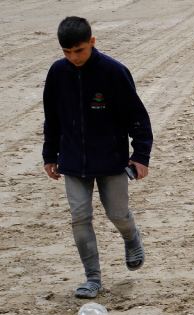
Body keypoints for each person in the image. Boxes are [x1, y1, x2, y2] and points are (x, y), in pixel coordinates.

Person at [42, 16, 152, 299]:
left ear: (92, 42)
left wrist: (141, 156)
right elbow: (52, 118)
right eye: (67, 52)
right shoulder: (57, 73)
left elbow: (137, 117)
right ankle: (92, 278)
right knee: (80, 217)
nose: (73, 57)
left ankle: (131, 237)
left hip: (111, 159)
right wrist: (49, 155)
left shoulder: (114, 72)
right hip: (72, 160)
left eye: (79, 50)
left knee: (117, 213)